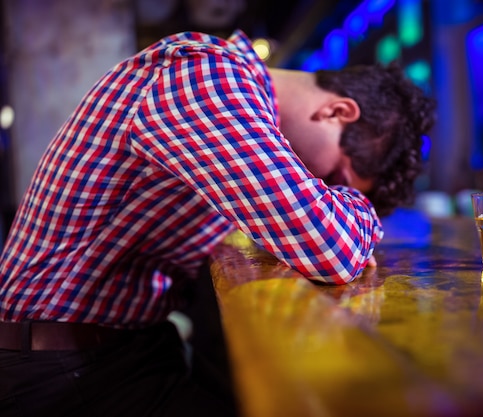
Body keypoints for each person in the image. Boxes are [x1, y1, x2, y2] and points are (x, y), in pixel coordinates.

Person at [0, 29, 436, 416]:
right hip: (62, 371)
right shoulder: (208, 78)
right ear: (337, 112)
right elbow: (330, 249)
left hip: (128, 348)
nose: (324, 187)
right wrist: (359, 208)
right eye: (338, 178)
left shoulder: (241, 109)